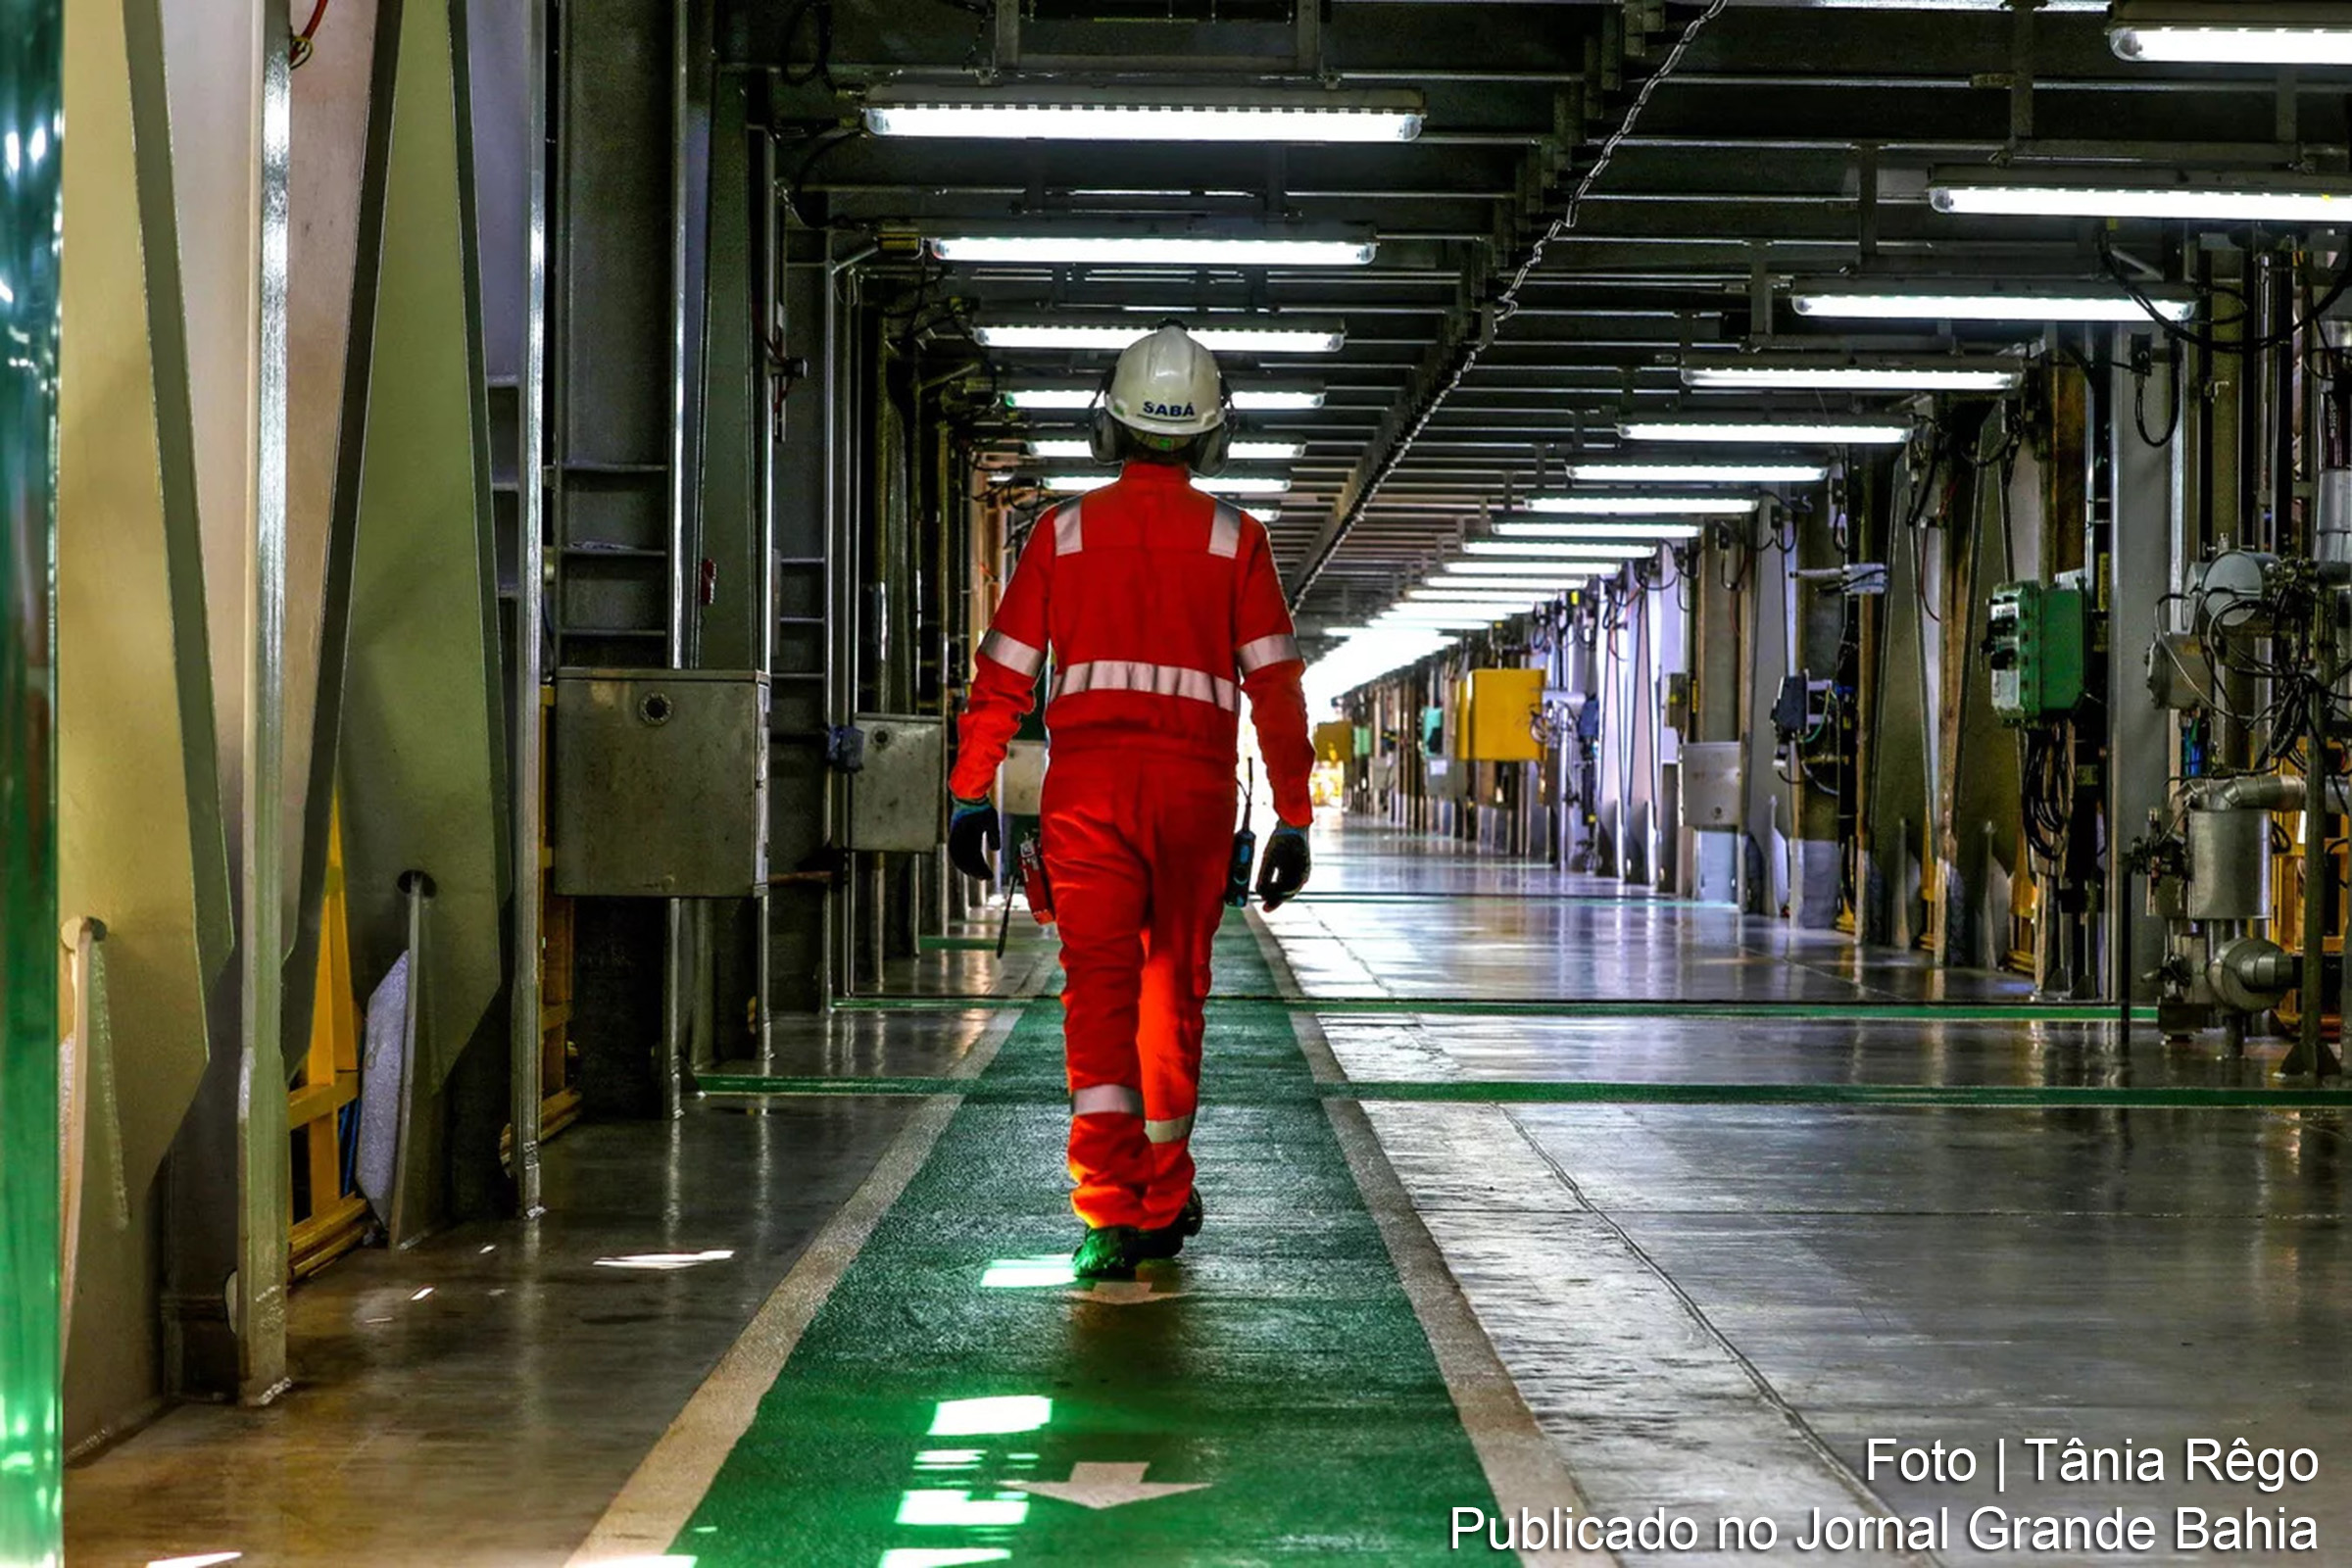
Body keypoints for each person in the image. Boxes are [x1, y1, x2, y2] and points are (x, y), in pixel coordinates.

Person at [946, 323, 1316, 1281]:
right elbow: (1275, 687)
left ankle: (1109, 1209)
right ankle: (1160, 1191)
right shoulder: (1240, 540)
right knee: (1172, 996)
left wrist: (969, 794)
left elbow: (1003, 677)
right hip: (1191, 799)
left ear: (1108, 426)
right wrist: (1293, 815)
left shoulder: (1061, 536)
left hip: (1088, 798)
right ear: (1209, 435)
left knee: (1099, 998)